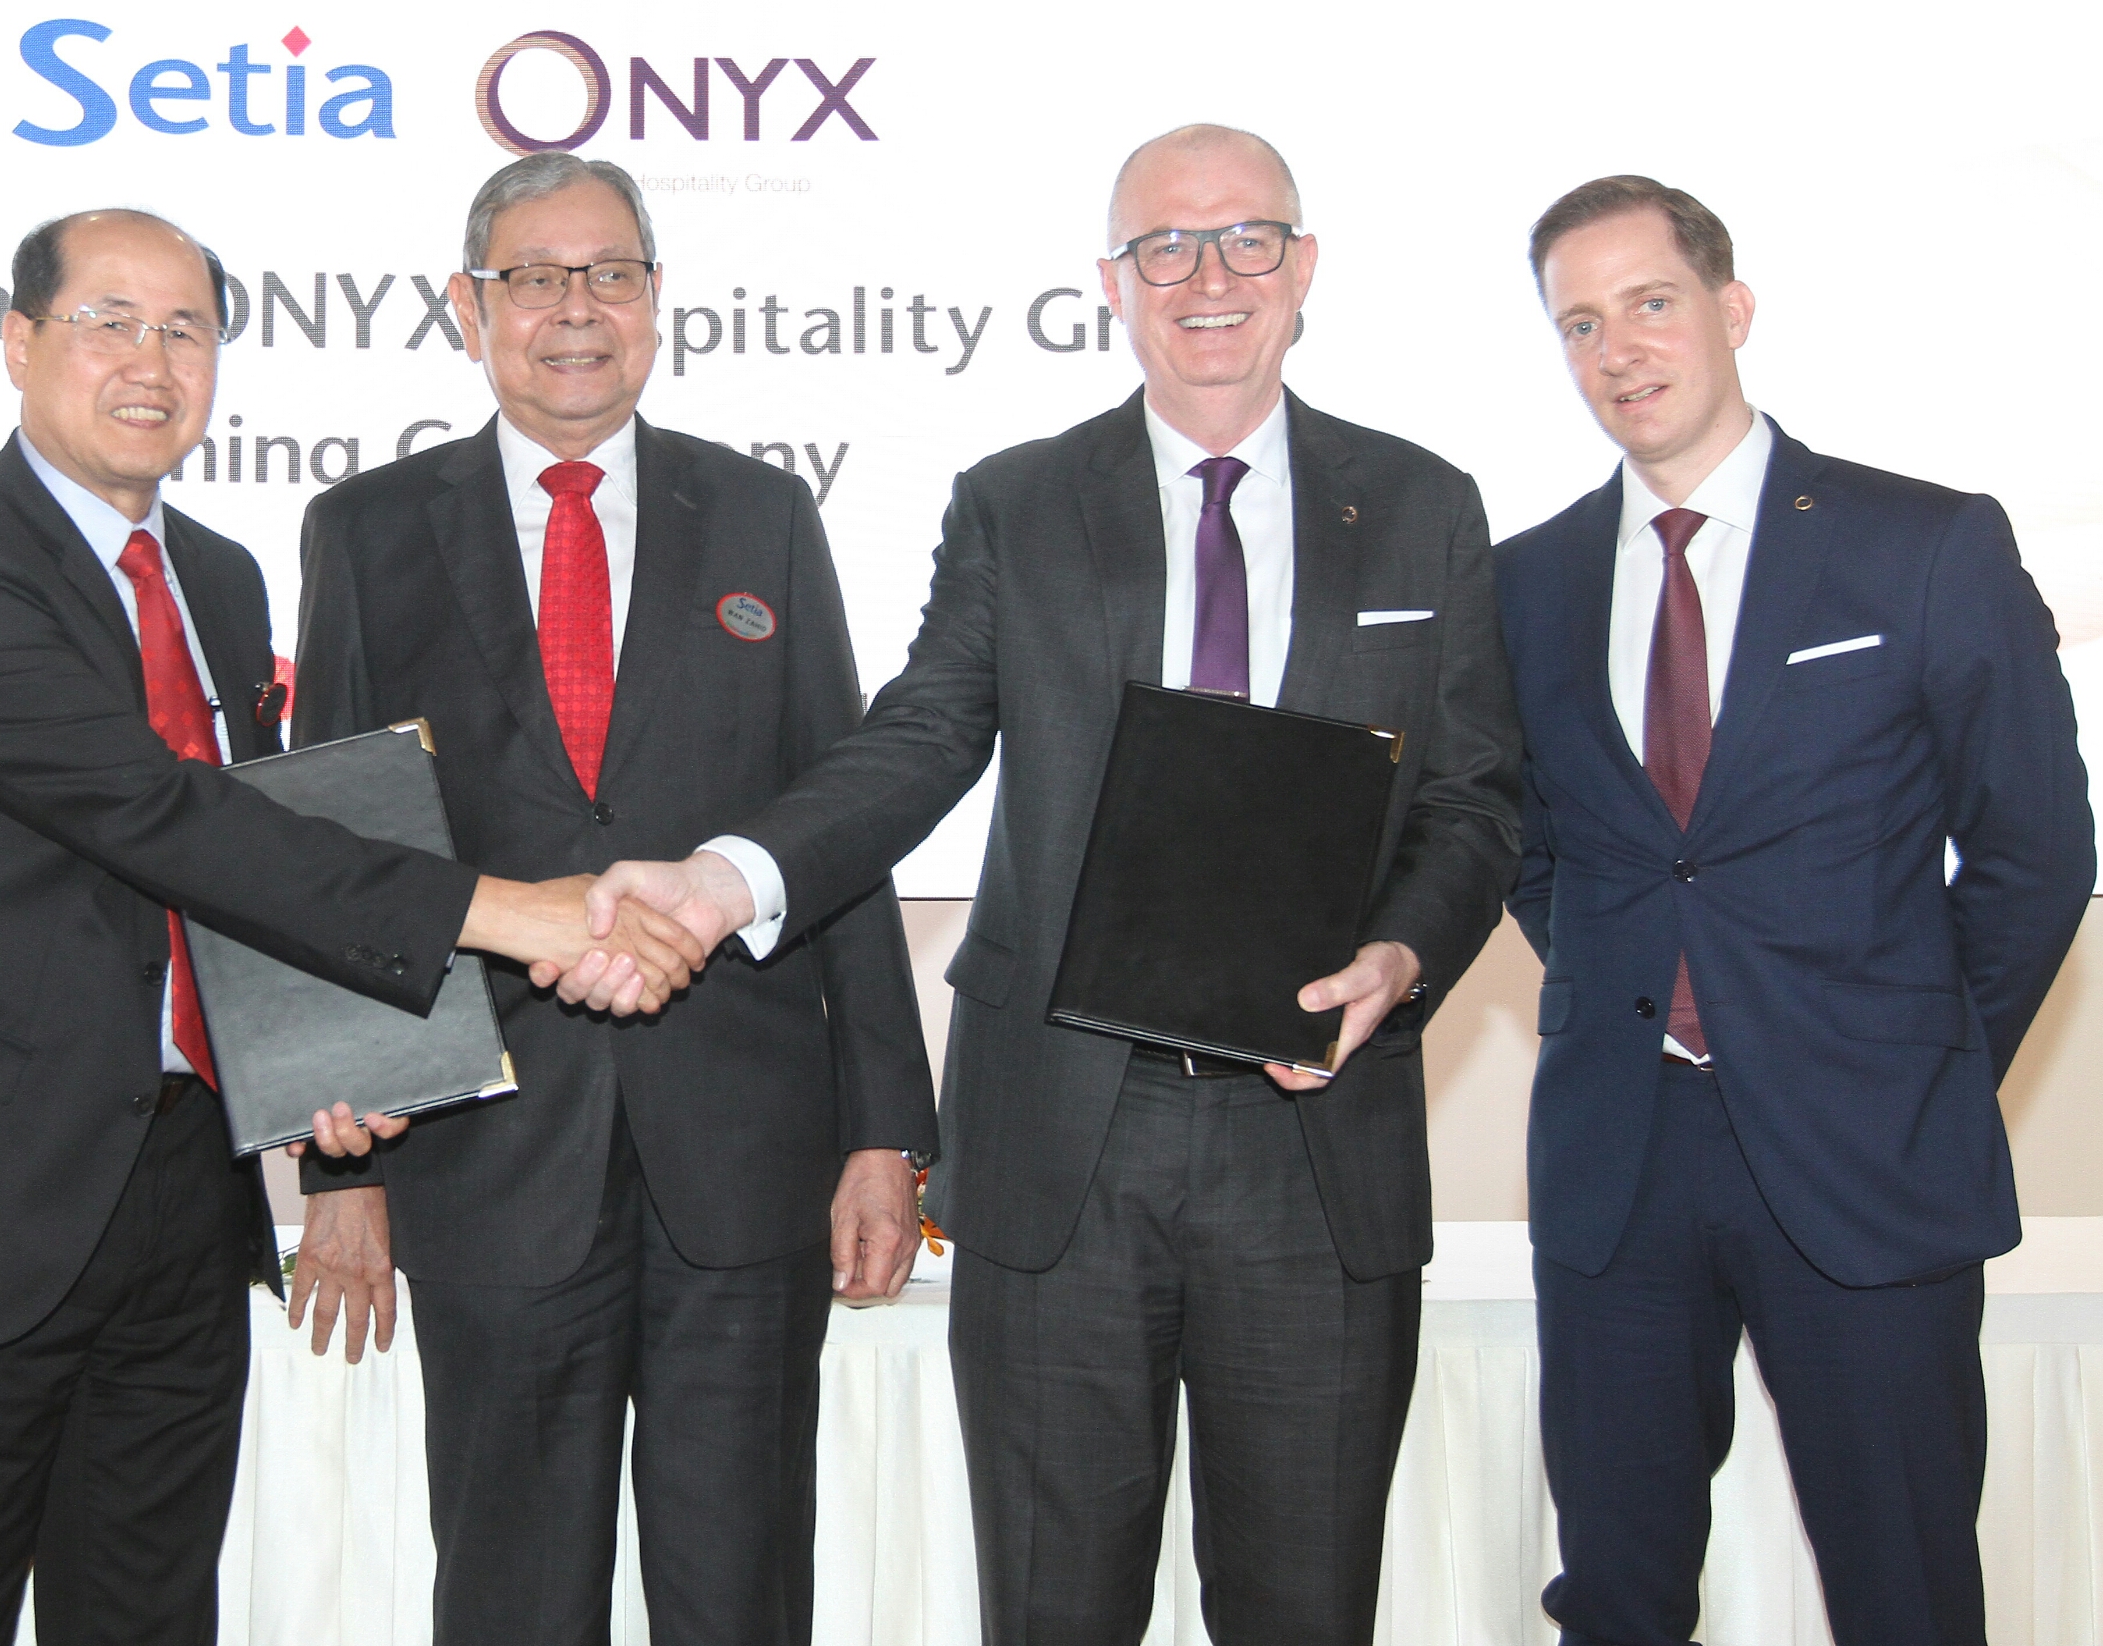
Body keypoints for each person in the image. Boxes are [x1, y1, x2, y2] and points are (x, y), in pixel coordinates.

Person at [586, 123, 1524, 1642]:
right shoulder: (1017, 502)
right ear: (1111, 280)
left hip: (1316, 1144)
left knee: (1305, 1612)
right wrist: (728, 878)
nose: (1207, 275)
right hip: (1062, 1144)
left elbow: (1475, 800)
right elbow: (918, 738)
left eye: (1246, 239)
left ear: (1303, 266)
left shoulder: (1424, 503)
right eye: (1166, 245)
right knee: (1049, 1613)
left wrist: (1403, 958)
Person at [0, 206, 705, 1646]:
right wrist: (514, 913)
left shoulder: (218, 575)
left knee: (152, 1617)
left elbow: (265, 864)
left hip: (181, 1198)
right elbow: (164, 816)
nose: (152, 362)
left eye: (186, 330)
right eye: (110, 323)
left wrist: (338, 1065)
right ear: (17, 342)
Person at [284, 151, 938, 1646]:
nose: (575, 309)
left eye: (611, 275)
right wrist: (340, 1173)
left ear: (656, 302)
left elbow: (839, 830)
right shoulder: (366, 530)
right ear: (469, 309)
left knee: (740, 1597)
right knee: (512, 1600)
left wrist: (881, 1129)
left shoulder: (764, 513)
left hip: (746, 1162)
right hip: (486, 1159)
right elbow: (333, 851)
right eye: (534, 277)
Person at [1499, 176, 2092, 1646]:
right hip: (1618, 1159)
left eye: (1650, 302)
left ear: (1732, 308)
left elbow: (2034, 851)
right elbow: (1525, 847)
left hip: (1867, 1150)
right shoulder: (1523, 584)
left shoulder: (1922, 543)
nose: (1618, 348)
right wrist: (1629, 989)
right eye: (1580, 323)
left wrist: (1915, 1059)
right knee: (1616, 1600)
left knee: (1905, 1597)